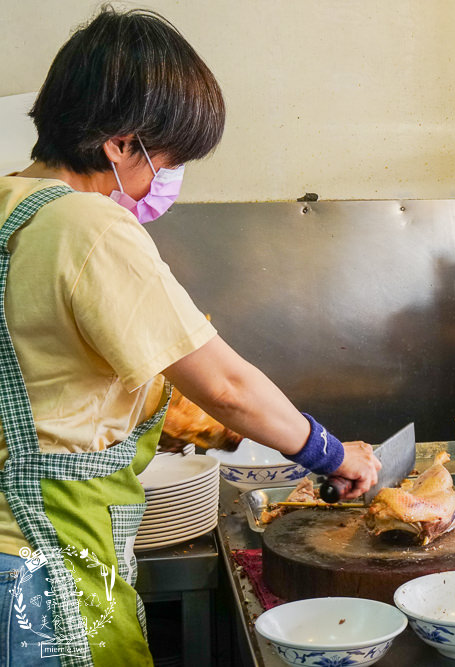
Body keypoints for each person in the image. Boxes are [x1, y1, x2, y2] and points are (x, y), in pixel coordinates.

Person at [0, 8, 380, 667]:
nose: (168, 178)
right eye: (169, 158)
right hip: (44, 558)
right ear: (120, 144)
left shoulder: (10, 205)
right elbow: (226, 386)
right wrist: (330, 453)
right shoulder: (88, 225)